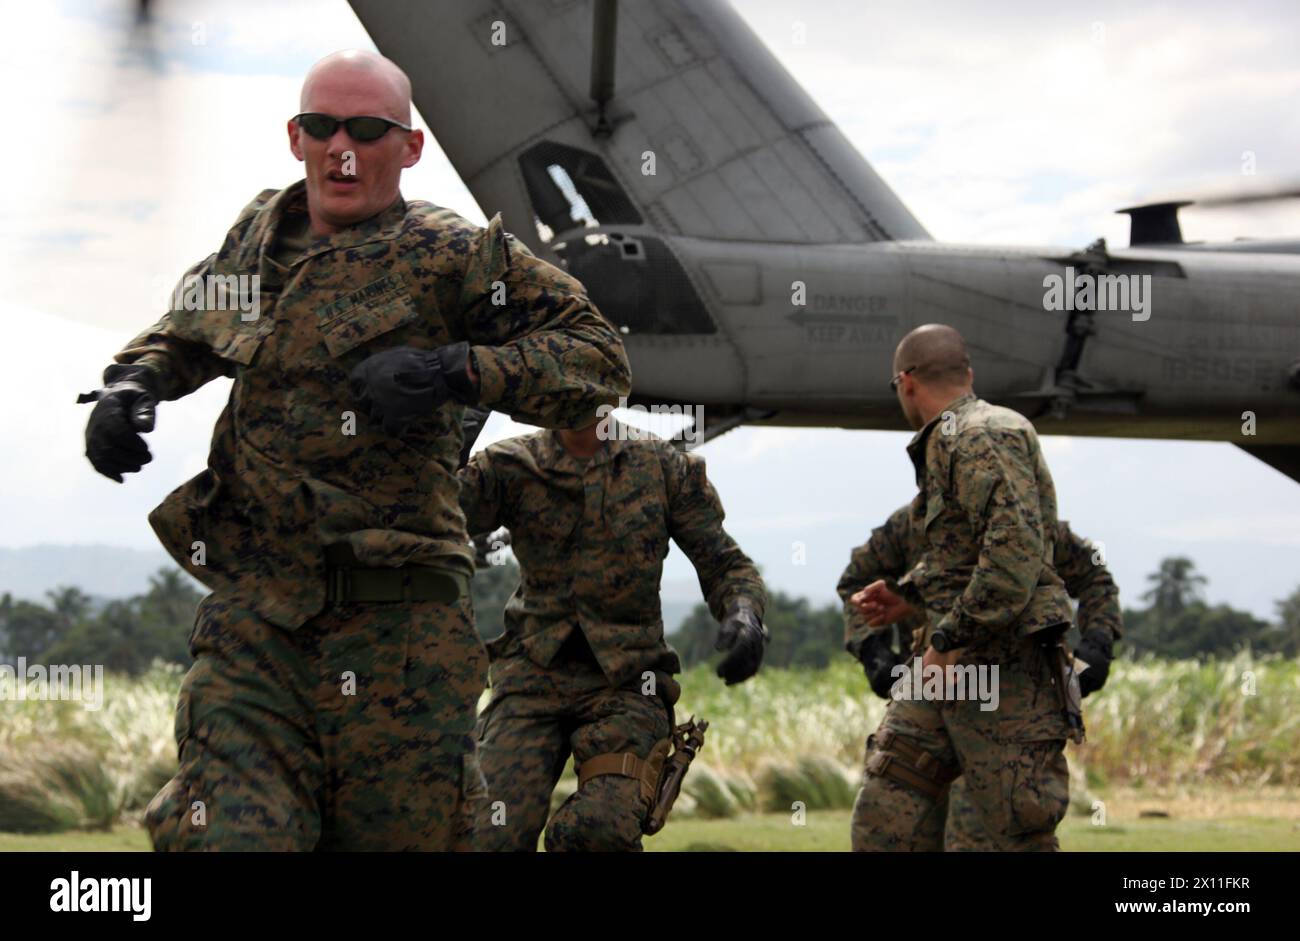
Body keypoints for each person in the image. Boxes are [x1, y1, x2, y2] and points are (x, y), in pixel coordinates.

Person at [78, 50, 630, 851]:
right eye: (322, 127)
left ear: (408, 148)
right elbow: (191, 325)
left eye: (368, 130)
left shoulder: (454, 255)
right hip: (256, 622)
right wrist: (133, 383)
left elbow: (597, 361)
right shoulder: (258, 236)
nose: (342, 149)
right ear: (295, 137)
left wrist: (456, 369)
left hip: (399, 635)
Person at [459, 421, 767, 851]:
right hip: (531, 677)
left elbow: (723, 562)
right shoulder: (509, 464)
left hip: (628, 681)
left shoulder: (662, 466)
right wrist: (456, 427)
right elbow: (435, 509)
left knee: (594, 831)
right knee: (490, 834)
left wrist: (745, 613)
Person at [849, 323, 1078, 852]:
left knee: (1009, 835)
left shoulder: (979, 433)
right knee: (888, 812)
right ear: (966, 374)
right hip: (951, 665)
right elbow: (967, 553)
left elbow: (1015, 553)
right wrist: (910, 594)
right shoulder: (953, 438)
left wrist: (950, 640)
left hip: (1005, 668)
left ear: (906, 383)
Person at [838, 507, 1121, 849]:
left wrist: (1097, 645)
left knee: (980, 836)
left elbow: (1095, 578)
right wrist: (873, 651)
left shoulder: (1029, 525)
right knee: (893, 822)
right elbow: (856, 581)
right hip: (928, 700)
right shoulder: (911, 524)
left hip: (1005, 706)